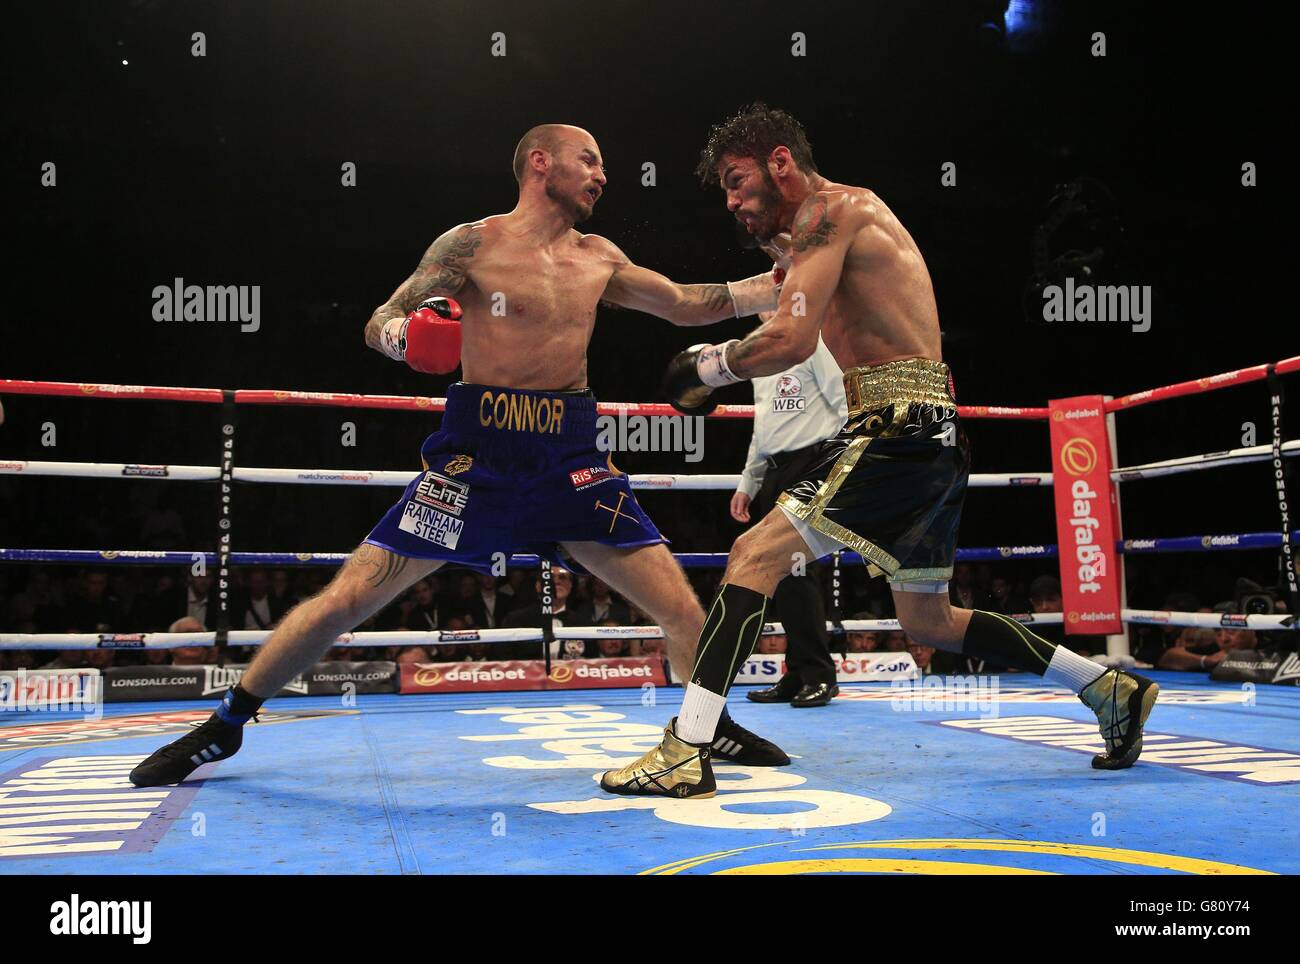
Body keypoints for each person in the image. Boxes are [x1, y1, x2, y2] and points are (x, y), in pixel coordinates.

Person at [130, 123, 789, 787]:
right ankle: (226, 724)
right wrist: (406, 339)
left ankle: (708, 727)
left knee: (678, 602)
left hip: (571, 456)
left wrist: (775, 284)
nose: (602, 174)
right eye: (588, 160)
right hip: (477, 458)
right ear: (540, 163)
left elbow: (682, 305)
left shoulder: (598, 255)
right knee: (348, 597)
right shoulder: (473, 243)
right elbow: (380, 318)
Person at [601, 103, 1158, 799]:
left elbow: (790, 342)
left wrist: (712, 369)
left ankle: (686, 749)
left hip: (896, 425)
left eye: (739, 180)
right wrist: (613, 284)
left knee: (755, 556)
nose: (733, 201)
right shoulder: (814, 244)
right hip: (931, 431)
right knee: (929, 619)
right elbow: (713, 301)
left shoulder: (830, 215)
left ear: (781, 162)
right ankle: (1106, 686)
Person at [734, 293, 847, 708]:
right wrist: (749, 481)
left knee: (799, 573)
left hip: (814, 462)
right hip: (777, 470)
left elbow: (843, 404)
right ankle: (798, 672)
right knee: (779, 575)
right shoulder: (757, 350)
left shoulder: (814, 342)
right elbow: (764, 425)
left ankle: (819, 674)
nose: (767, 309)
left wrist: (835, 468)